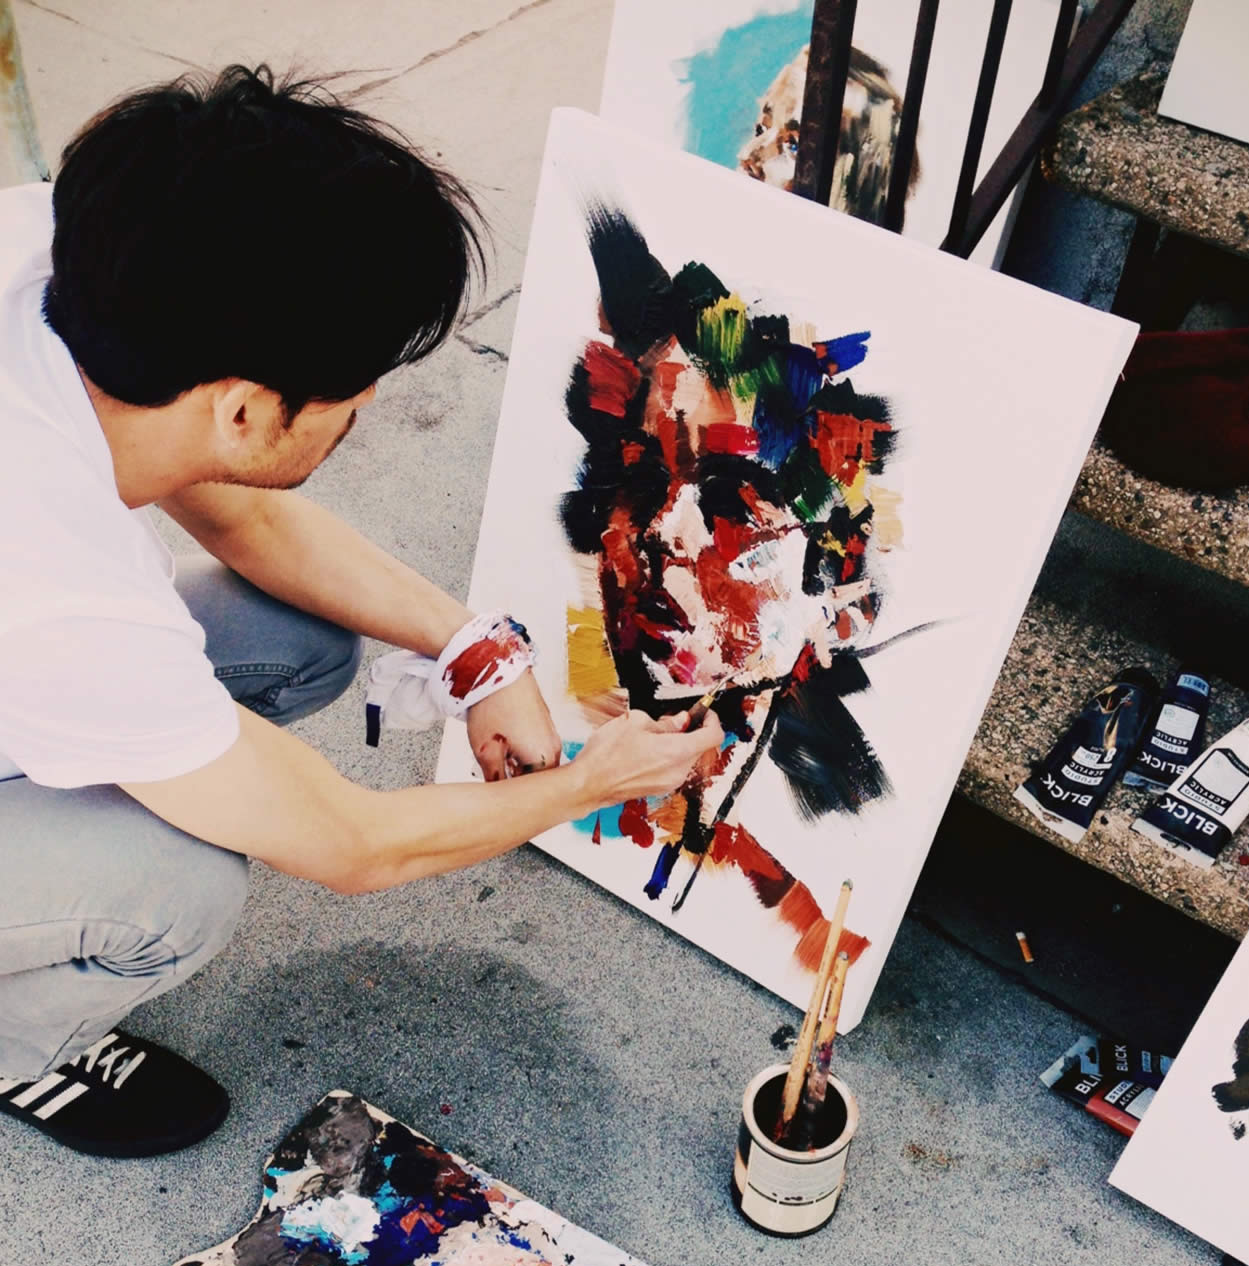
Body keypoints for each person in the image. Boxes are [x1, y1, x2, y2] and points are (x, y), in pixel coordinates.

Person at [0, 66, 722, 1160]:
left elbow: (247, 522)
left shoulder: (62, 258)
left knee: (296, 644)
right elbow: (352, 846)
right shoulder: (56, 587)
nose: (368, 403)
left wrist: (472, 646)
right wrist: (594, 780)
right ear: (244, 406)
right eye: (355, 384)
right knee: (180, 890)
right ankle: (15, 1046)